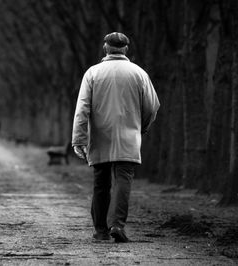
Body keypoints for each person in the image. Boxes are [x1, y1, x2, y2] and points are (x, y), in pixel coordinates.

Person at [72, 32, 160, 243]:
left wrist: (79, 139)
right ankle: (117, 225)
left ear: (106, 48)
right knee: (123, 180)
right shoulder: (139, 73)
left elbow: (82, 108)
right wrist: (142, 128)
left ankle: (101, 230)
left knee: (101, 183)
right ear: (126, 49)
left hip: (100, 137)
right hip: (129, 137)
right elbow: (152, 106)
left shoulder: (93, 73)